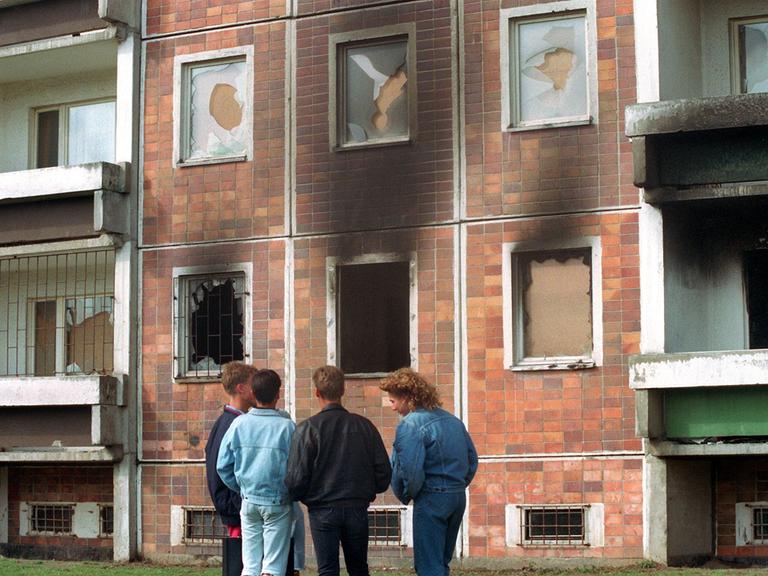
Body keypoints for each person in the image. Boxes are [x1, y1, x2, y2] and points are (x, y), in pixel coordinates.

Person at [285, 365, 391, 576]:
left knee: (327, 570)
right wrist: (367, 490)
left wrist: (306, 497)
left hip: (322, 509)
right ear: (342, 390)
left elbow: (296, 479)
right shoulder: (365, 426)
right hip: (356, 507)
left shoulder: (308, 428)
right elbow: (383, 472)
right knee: (359, 568)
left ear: (317, 392)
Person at [379, 368, 478, 576]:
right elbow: (472, 460)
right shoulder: (453, 421)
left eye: (393, 401)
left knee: (428, 566)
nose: (392, 408)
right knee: (441, 561)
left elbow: (411, 470)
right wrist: (457, 485)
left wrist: (409, 494)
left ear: (406, 398)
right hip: (457, 496)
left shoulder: (410, 424)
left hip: (432, 497)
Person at [218, 369, 296, 576]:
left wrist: (241, 487)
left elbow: (222, 466)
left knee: (250, 565)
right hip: (278, 501)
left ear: (252, 393)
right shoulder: (288, 427)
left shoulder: (238, 424)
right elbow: (297, 467)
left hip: (248, 499)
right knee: (273, 565)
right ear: (278, 394)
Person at [205, 361, 256, 537]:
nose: (257, 389)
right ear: (241, 388)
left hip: (235, 508)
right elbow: (221, 469)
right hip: (236, 510)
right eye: (253, 385)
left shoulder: (226, 421)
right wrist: (239, 504)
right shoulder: (232, 424)